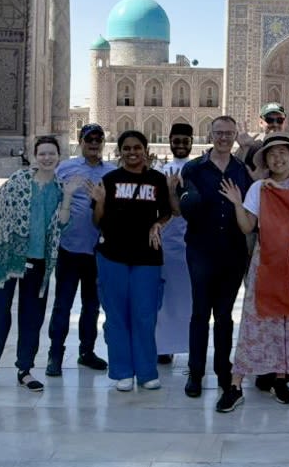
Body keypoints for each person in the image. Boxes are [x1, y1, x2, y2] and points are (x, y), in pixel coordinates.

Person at [0, 136, 75, 394]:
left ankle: (25, 370)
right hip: (8, 257)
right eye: (42, 153)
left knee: (32, 318)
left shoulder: (60, 188)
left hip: (39, 261)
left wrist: (69, 197)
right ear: (34, 155)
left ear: (58, 157)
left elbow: (62, 224)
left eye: (51, 154)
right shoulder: (18, 181)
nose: (47, 158)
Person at [221, 134, 289, 412]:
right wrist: (238, 203)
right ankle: (236, 384)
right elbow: (248, 227)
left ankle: (281, 380)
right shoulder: (259, 188)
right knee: (256, 320)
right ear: (266, 160)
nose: (278, 158)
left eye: (283, 153)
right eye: (272, 154)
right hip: (267, 262)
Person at [177, 116, 254, 399]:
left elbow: (254, 203)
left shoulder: (241, 170)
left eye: (228, 134)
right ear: (209, 134)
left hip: (232, 251)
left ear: (234, 136)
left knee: (223, 316)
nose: (223, 138)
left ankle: (224, 370)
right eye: (218, 133)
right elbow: (184, 207)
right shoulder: (194, 168)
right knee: (199, 314)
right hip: (200, 250)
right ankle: (195, 372)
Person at [90, 130, 172, 391]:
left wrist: (158, 224)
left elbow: (167, 212)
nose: (132, 152)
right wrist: (100, 202)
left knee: (144, 314)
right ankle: (122, 371)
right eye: (126, 148)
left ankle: (147, 371)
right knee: (116, 316)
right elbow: (97, 221)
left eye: (137, 147)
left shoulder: (157, 179)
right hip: (113, 255)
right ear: (120, 151)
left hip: (147, 256)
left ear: (145, 150)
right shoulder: (110, 179)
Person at [46, 123, 113, 377]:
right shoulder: (66, 168)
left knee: (91, 306)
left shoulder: (111, 171)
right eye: (89, 139)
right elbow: (51, 201)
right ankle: (55, 354)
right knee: (63, 304)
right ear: (81, 141)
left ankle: (86, 352)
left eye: (98, 139)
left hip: (98, 250)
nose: (94, 144)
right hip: (69, 248)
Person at [156, 122, 195, 366]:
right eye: (176, 141)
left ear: (191, 143)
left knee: (189, 300)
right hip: (166, 246)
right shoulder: (160, 171)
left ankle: (192, 347)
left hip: (193, 245)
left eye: (185, 141)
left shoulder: (199, 169)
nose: (180, 145)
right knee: (165, 299)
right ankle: (163, 347)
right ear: (169, 141)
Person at [236, 103, 288, 179]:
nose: (275, 124)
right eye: (269, 120)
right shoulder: (252, 148)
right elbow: (235, 172)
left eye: (279, 120)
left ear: (285, 122)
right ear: (261, 122)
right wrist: (242, 149)